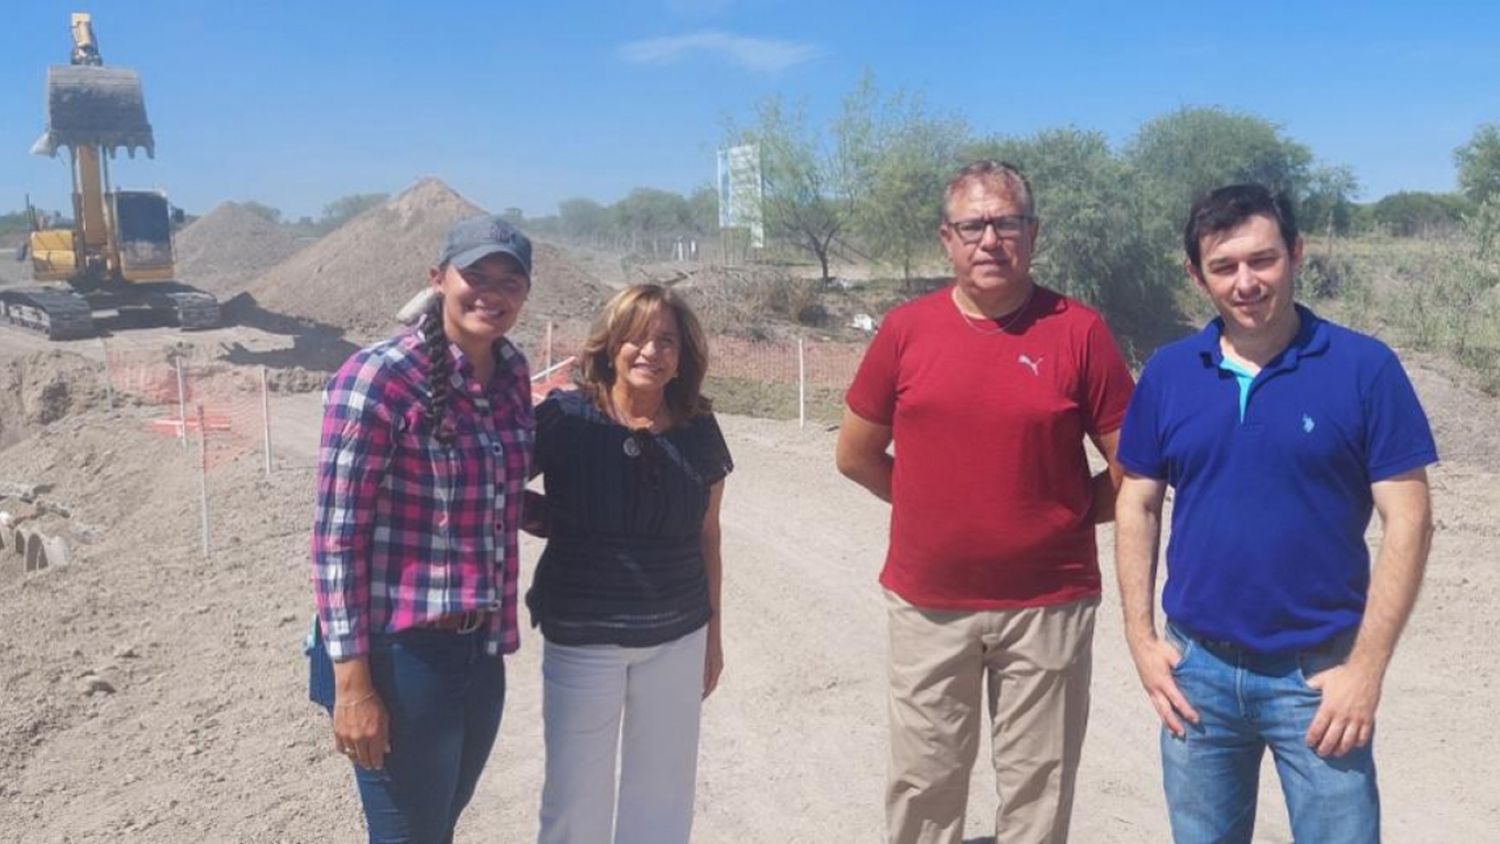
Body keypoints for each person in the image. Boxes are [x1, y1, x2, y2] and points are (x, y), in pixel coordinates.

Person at [1114, 184, 1437, 843]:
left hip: (1318, 678)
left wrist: (1366, 671)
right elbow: (1137, 503)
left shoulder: (1364, 368)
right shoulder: (1170, 373)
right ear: (1196, 275)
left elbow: (1409, 520)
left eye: (1262, 260)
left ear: (1295, 253)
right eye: (1224, 266)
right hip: (1196, 671)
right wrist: (1142, 642)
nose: (1246, 282)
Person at [837, 160, 1135, 844]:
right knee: (924, 781)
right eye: (973, 225)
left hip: (1048, 606)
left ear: (1033, 233)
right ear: (947, 239)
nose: (990, 240)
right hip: (928, 604)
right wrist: (927, 507)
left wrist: (1057, 515)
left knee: (1039, 783)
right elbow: (854, 454)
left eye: (1006, 223)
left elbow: (1134, 466)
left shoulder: (1079, 331)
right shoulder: (906, 331)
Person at [306, 214, 535, 842]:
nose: (492, 293)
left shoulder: (513, 374)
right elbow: (336, 539)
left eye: (510, 282)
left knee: (436, 827)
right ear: (438, 279)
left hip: (479, 651)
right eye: (476, 276)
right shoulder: (378, 377)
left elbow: (494, 494)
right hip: (398, 659)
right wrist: (353, 685)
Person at [527, 283, 732, 844]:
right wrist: (554, 519)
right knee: (574, 801)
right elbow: (492, 483)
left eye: (666, 340)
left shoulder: (698, 428)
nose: (650, 351)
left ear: (682, 355)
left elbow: (708, 536)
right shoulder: (565, 419)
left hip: (678, 639)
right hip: (583, 640)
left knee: (663, 799)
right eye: (636, 338)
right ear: (610, 345)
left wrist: (713, 636)